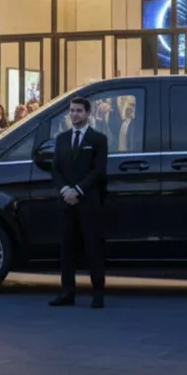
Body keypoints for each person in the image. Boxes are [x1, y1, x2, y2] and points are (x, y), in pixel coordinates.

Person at [49, 97, 109, 309]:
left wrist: (79, 190)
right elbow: (55, 168)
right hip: (66, 202)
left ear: (87, 114)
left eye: (79, 111)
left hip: (88, 202)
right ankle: (67, 292)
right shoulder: (62, 139)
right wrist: (65, 190)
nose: (74, 114)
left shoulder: (98, 139)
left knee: (93, 248)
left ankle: (98, 293)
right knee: (67, 249)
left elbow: (99, 171)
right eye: (72, 111)